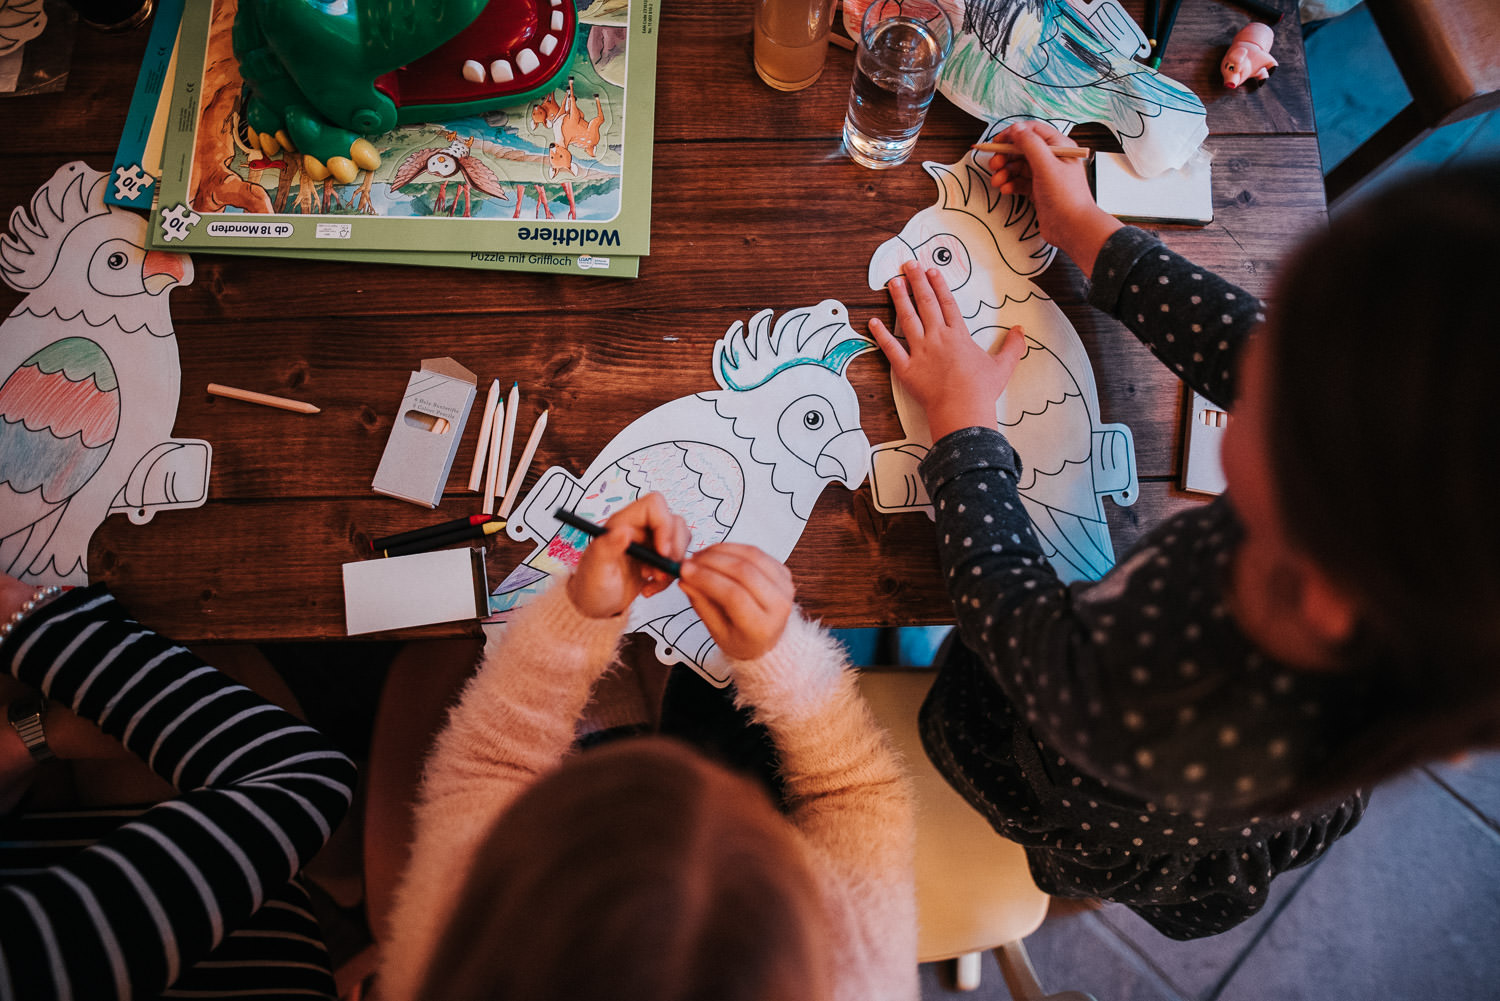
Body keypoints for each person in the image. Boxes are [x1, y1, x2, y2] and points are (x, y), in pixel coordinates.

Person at [866, 119, 1500, 939]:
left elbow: (1010, 617)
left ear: (1326, 579)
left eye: (1284, 388)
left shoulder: (1163, 695)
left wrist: (962, 424)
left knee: (980, 688)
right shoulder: (1386, 540)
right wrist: (1088, 232)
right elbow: (1239, 339)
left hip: (1057, 744)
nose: (1258, 358)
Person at [377, 493, 916, 1001]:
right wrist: (780, 658)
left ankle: (620, 713)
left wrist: (577, 620)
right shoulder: (859, 978)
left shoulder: (451, 944)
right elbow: (854, 790)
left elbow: (488, 766)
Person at [0, 573, 358, 999]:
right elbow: (305, 779)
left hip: (31, 855)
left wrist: (28, 736)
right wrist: (26, 616)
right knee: (173, 629)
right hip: (233, 922)